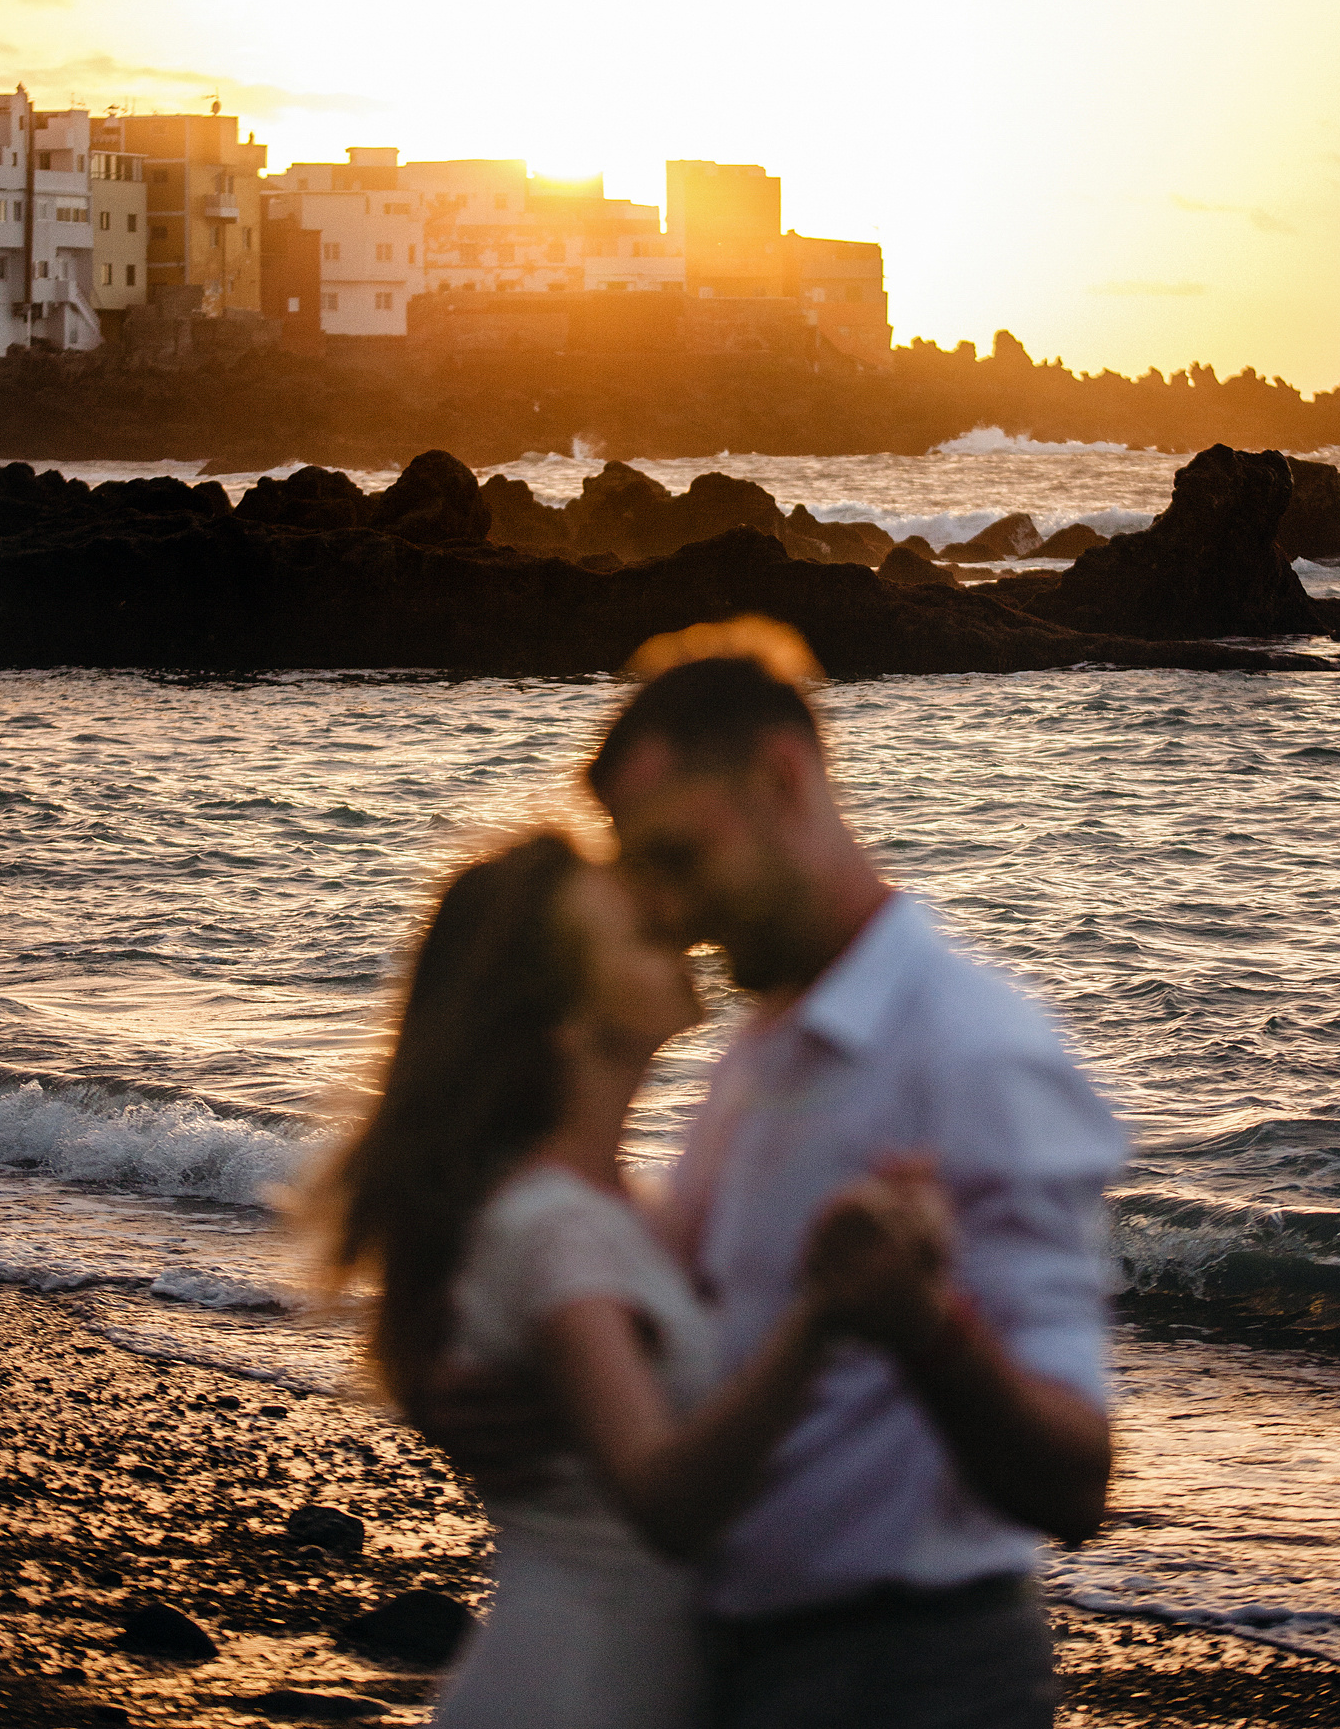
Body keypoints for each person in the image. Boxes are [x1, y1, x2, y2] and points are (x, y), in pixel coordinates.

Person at [427, 642, 1128, 1729]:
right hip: (743, 1658)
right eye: (641, 870)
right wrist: (517, 1392)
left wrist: (924, 1326)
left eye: (676, 855)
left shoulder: (972, 1053)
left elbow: (1075, 1482)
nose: (664, 910)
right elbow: (671, 1326)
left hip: (907, 1669)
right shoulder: (757, 1058)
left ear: (782, 780)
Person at [311, 827, 957, 1729]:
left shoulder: (634, 1214)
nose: (679, 934)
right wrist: (823, 1318)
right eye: (639, 932)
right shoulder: (557, 1229)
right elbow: (664, 1499)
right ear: (569, 1018)